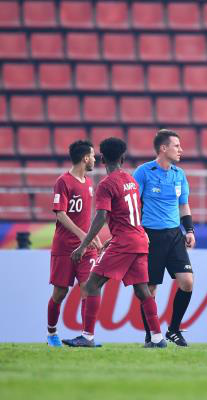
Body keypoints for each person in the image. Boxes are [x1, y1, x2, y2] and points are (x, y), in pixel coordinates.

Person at [62, 137, 166, 348]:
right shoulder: (131, 181)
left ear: (102, 158)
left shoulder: (106, 184)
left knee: (92, 285)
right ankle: (157, 337)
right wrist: (114, 237)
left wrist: (83, 246)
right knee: (142, 289)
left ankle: (87, 336)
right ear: (123, 157)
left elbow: (101, 217)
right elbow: (132, 213)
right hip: (138, 239)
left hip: (125, 243)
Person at [133, 129, 195, 347]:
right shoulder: (143, 172)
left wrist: (189, 230)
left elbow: (183, 204)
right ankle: (151, 335)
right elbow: (133, 203)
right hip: (150, 236)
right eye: (176, 146)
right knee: (150, 289)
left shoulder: (179, 174)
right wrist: (137, 231)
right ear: (163, 148)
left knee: (187, 282)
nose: (181, 150)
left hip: (174, 235)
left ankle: (174, 330)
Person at [46, 140, 102, 347]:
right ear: (85, 158)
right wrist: (81, 235)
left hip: (86, 249)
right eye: (93, 156)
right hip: (65, 248)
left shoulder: (88, 182)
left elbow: (86, 218)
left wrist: (92, 237)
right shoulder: (63, 181)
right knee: (60, 293)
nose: (95, 159)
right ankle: (52, 333)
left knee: (90, 287)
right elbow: (60, 214)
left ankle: (87, 336)